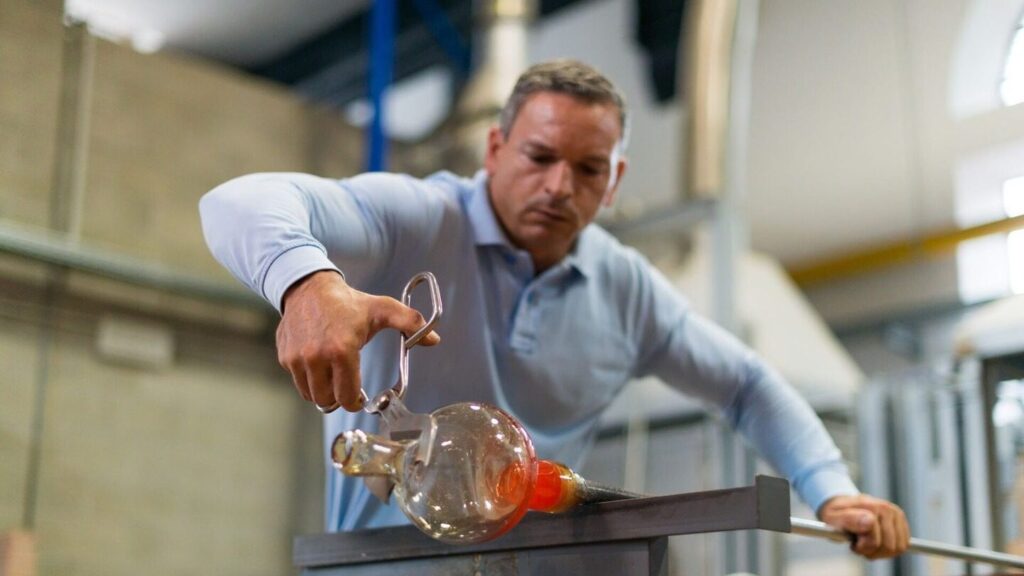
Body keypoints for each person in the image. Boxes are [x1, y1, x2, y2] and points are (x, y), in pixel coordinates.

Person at [200, 59, 909, 559]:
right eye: (539, 157)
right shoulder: (416, 221)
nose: (559, 186)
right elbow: (234, 202)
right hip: (383, 567)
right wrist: (306, 283)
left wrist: (830, 490)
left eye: (588, 169)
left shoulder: (626, 290)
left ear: (614, 179)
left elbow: (747, 384)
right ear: (495, 148)